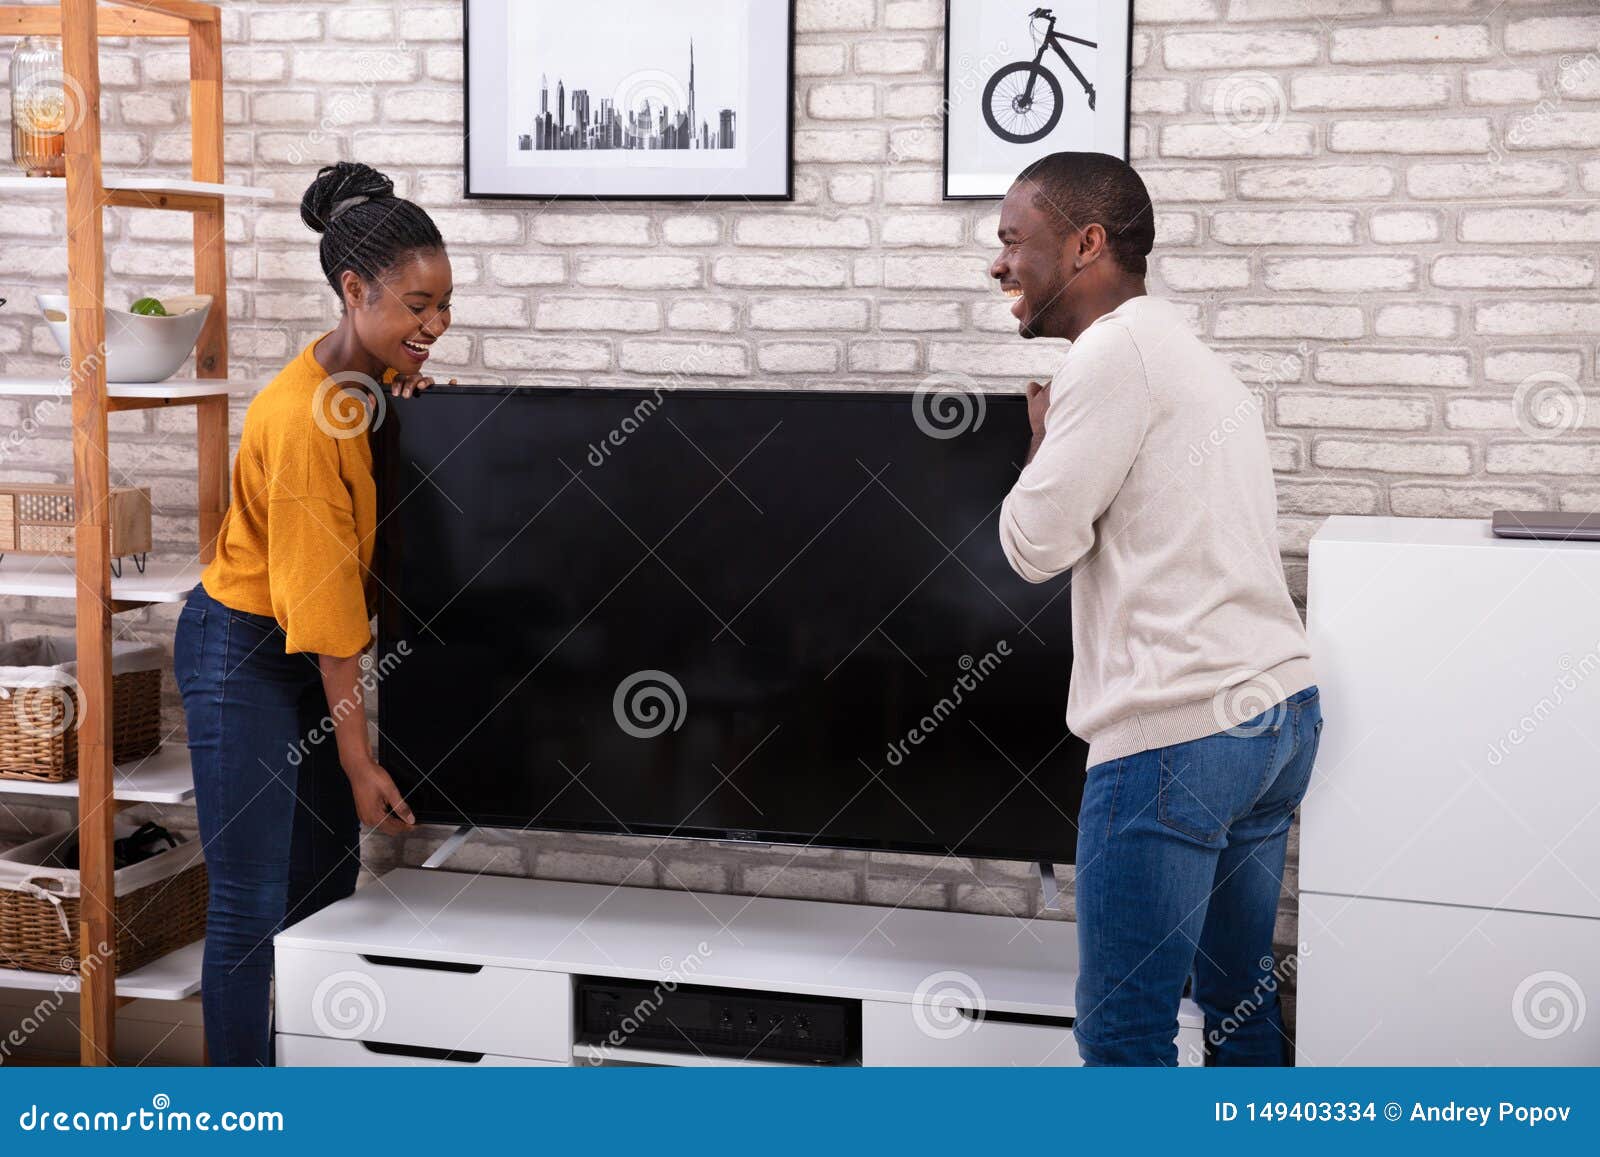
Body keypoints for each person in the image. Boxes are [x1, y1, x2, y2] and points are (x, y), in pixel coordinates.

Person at [991, 151, 1321, 1066]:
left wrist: (1041, 447)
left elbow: (1034, 546)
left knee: (1124, 1033)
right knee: (1238, 1008)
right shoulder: (1192, 357)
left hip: (1178, 738)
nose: (998, 264)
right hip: (1274, 715)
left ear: (1086, 243)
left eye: (1014, 241)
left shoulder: (1110, 354)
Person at [174, 161, 453, 1066]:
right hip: (244, 651)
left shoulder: (357, 378)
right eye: (417, 307)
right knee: (250, 903)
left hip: (306, 649)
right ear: (353, 289)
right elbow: (332, 618)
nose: (436, 325)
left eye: (443, 304)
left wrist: (393, 390)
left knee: (327, 881)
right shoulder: (301, 422)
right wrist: (359, 759)